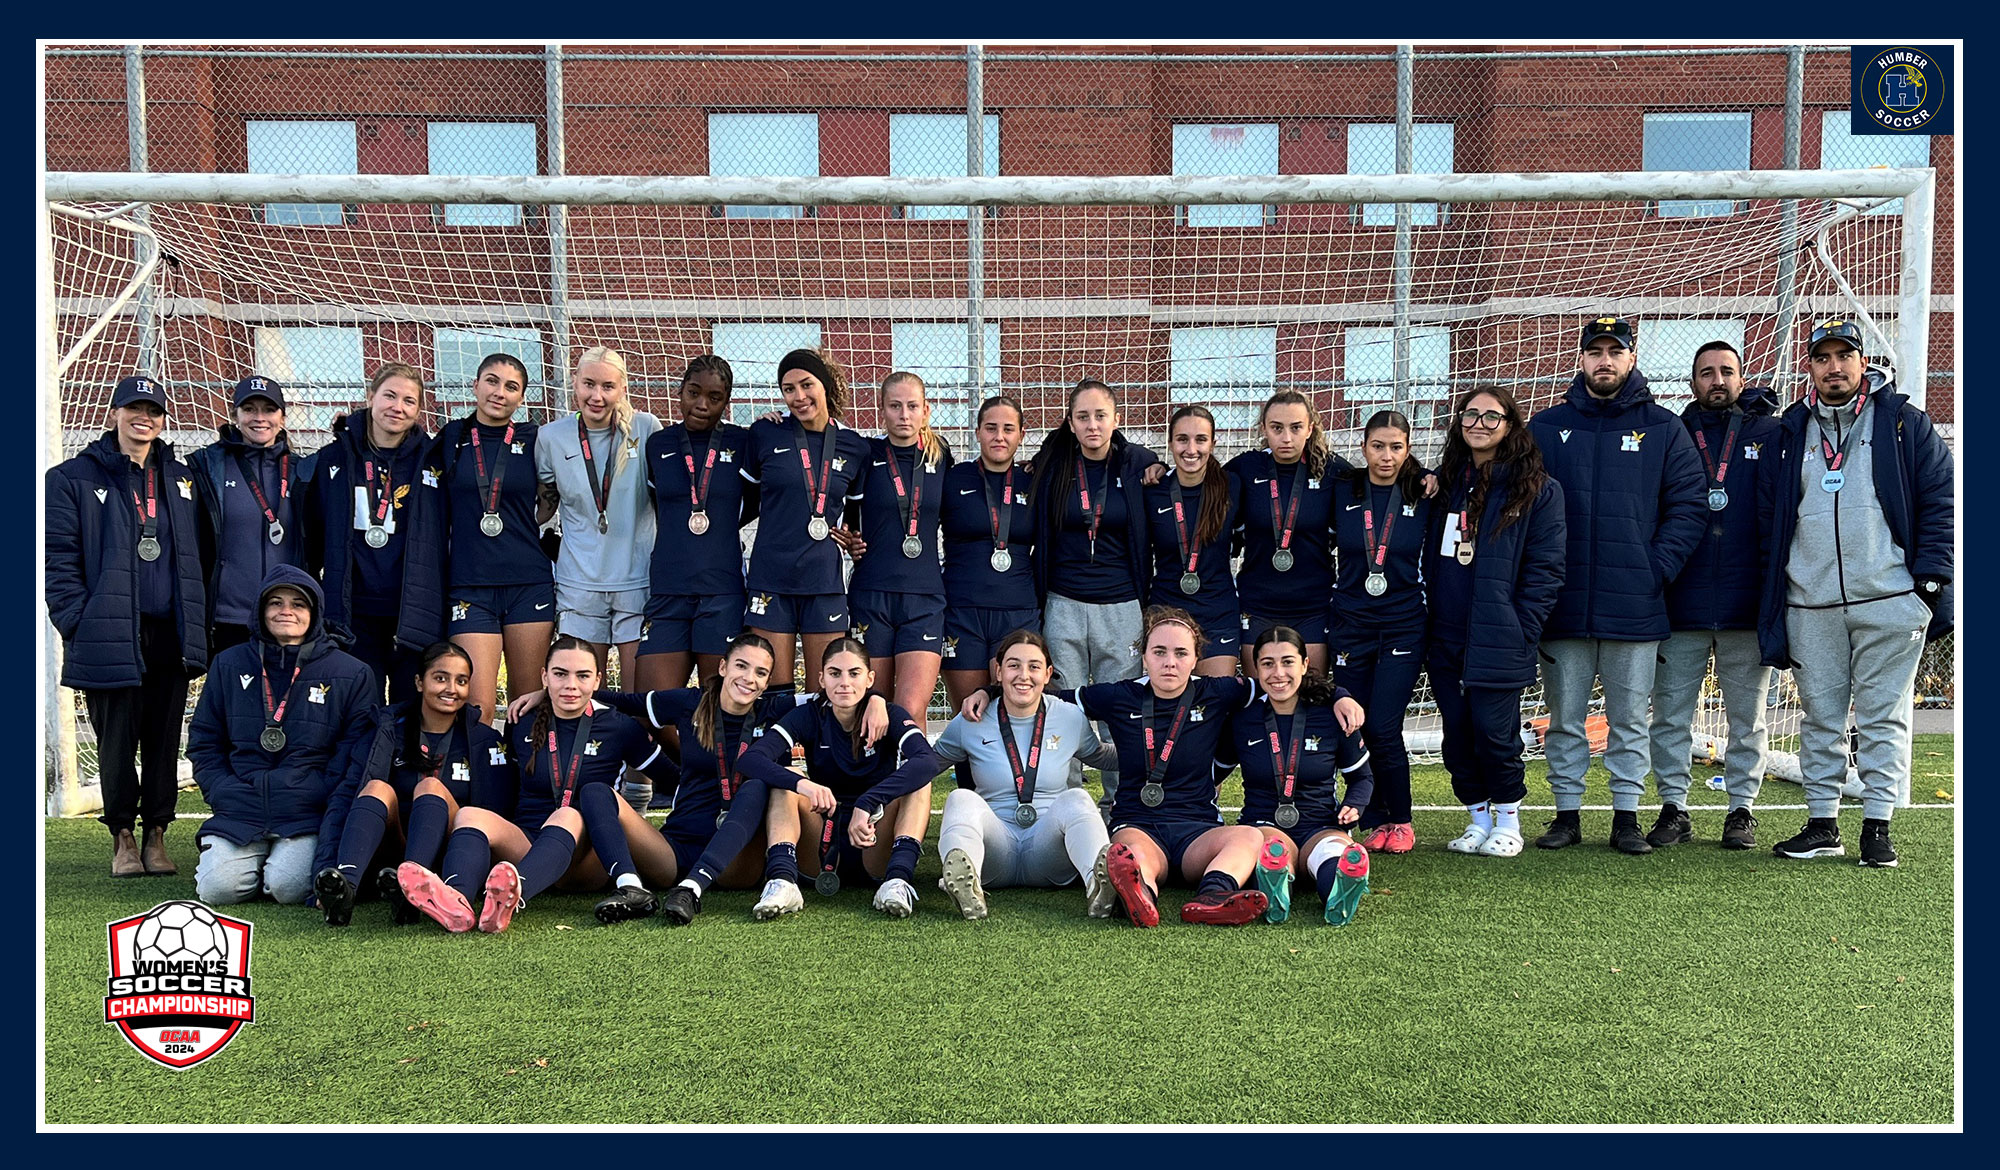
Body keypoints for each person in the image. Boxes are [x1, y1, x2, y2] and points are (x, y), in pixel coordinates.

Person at [1757, 319, 1954, 867]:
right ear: (1810, 367)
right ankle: (1823, 823)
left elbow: (1940, 501)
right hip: (1809, 601)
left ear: (1863, 361)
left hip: (1889, 598)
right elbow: (1771, 510)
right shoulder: (1791, 429)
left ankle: (1877, 826)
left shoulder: (1903, 423)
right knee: (1819, 715)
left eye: (1845, 355)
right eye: (1823, 358)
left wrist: (1929, 586)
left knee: (1882, 715)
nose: (1834, 367)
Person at [530, 633, 887, 926]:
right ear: (722, 667)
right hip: (676, 849)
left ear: (767, 682)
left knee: (759, 783)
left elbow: (841, 692)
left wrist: (877, 700)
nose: (749, 679)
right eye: (741, 666)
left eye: (761, 673)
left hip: (736, 861)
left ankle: (693, 890)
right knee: (596, 792)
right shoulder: (689, 702)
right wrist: (546, 692)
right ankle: (630, 887)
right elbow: (626, 701)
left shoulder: (777, 710)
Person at [966, 607, 1272, 928]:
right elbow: (1046, 698)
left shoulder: (1218, 692)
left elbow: (1278, 684)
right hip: (1139, 825)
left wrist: (1333, 694)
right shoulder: (1120, 696)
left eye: (1181, 653)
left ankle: (1212, 897)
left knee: (1249, 836)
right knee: (1130, 855)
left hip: (1199, 831)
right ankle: (1141, 897)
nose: (1170, 661)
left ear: (1195, 659)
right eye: (1159, 652)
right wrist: (990, 691)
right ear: (1143, 657)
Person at [1527, 316, 1706, 854]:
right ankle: (1566, 815)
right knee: (1565, 719)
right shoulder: (1546, 427)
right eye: (1595, 351)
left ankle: (1626, 815)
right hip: (1562, 605)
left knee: (1629, 720)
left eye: (1615, 351)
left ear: (1631, 359)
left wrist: (1653, 569)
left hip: (1636, 604)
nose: (1604, 360)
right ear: (1581, 359)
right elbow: (1520, 502)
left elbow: (1689, 506)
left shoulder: (1664, 428)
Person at [395, 634, 673, 932]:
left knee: (568, 812)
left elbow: (673, 780)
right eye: (560, 674)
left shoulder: (619, 726)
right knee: (470, 815)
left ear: (597, 680)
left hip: (588, 858)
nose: (570, 685)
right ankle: (456, 900)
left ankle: (512, 898)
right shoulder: (521, 720)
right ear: (545, 677)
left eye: (582, 676)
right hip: (528, 847)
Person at [45, 374, 207, 877]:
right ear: (114, 412)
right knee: (116, 741)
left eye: (155, 411)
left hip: (168, 631)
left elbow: (197, 555)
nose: (146, 419)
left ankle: (157, 834)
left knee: (163, 739)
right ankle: (122, 838)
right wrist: (78, 621)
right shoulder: (71, 477)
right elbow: (58, 559)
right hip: (109, 630)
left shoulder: (181, 479)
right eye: (135, 408)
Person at [1648, 342, 1783, 849]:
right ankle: (1673, 807)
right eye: (1707, 373)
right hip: (1680, 603)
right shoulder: (1671, 434)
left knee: (1747, 718)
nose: (1718, 380)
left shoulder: (1770, 434)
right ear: (1691, 383)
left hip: (1747, 604)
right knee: (1670, 714)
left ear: (1743, 378)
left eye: (1727, 371)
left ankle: (1742, 809)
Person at [1428, 387, 1566, 859]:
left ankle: (1509, 819)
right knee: (1457, 734)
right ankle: (1478, 819)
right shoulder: (1444, 484)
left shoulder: (1538, 490)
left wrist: (1519, 627)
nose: (1480, 424)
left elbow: (1546, 570)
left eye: (1492, 416)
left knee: (1495, 733)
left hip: (1499, 636)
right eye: (1471, 414)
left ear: (1510, 425)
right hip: (1445, 634)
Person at [184, 566, 376, 905]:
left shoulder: (352, 673)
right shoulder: (228, 664)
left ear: (314, 613)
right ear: (261, 612)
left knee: (288, 887)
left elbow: (355, 752)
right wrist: (222, 789)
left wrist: (316, 791)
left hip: (305, 811)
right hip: (240, 808)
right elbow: (204, 740)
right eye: (275, 602)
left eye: (298, 604)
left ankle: (273, 867)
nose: (286, 611)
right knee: (217, 890)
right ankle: (247, 863)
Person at [734, 637, 940, 920]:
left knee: (920, 782)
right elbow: (750, 759)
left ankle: (897, 880)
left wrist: (868, 802)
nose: (844, 682)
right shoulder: (809, 715)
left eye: (854, 673)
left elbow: (928, 761)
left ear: (870, 679)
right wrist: (803, 784)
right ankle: (782, 880)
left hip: (872, 839)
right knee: (787, 780)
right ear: (821, 678)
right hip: (822, 842)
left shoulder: (889, 714)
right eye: (835, 673)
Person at [310, 641, 513, 926]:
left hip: (450, 855)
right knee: (376, 787)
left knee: (430, 787)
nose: (451, 689)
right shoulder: (386, 731)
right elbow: (345, 798)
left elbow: (492, 819)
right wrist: (326, 866)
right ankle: (345, 890)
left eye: (461, 681)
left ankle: (414, 888)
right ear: (419, 682)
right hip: (391, 847)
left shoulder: (486, 742)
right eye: (440, 678)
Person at [1028, 379, 1162, 808]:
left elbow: (1163, 469)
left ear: (1116, 419)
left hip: (1121, 605)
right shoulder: (1053, 463)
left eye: (1100, 415)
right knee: (1062, 707)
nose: (1092, 424)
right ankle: (1064, 804)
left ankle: (1117, 806)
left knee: (1120, 709)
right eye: (1082, 416)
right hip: (1063, 602)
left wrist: (1159, 467)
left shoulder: (1137, 463)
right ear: (1069, 422)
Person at [929, 630, 1119, 919]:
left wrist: (1151, 750)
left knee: (1078, 798)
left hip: (1049, 850)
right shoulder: (972, 718)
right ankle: (968, 886)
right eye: (1014, 665)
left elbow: (1101, 756)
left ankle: (1099, 884)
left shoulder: (1068, 716)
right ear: (998, 671)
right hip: (994, 851)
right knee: (960, 799)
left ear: (1048, 673)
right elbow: (928, 764)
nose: (1023, 675)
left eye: (1034, 666)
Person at [299, 362, 445, 705]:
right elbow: (312, 537)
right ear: (370, 397)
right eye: (390, 396)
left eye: (409, 401)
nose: (398, 407)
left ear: (419, 409)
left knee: (410, 713)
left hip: (413, 612)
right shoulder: (331, 458)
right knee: (361, 711)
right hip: (354, 613)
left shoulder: (433, 460)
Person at [739, 350, 872, 695]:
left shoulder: (855, 446)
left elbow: (856, 519)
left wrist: (855, 540)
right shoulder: (766, 433)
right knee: (774, 694)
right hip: (771, 578)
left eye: (806, 385)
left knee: (826, 693)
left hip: (823, 581)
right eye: (788, 389)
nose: (798, 397)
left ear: (825, 385)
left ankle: (822, 753)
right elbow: (745, 503)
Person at [1334, 411, 1434, 855]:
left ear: (1409, 449)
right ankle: (1370, 817)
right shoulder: (1343, 489)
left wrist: (1429, 475)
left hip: (1403, 624)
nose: (1387, 456)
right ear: (1363, 447)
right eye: (1378, 446)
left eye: (1396, 446)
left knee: (1384, 724)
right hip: (1350, 625)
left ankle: (1401, 819)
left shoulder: (1424, 492)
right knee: (1352, 723)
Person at [1226, 626, 1374, 926]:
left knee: (1330, 852)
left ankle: (1339, 888)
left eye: (1288, 662)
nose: (1278, 673)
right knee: (1269, 848)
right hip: (1264, 823)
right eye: (1267, 663)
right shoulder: (1241, 718)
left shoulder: (1333, 714)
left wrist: (1354, 806)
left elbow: (1362, 778)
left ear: (1305, 664)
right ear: (1256, 668)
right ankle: (1277, 878)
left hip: (1320, 824)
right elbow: (1212, 773)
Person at [435, 353, 552, 727]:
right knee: (478, 709)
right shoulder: (451, 437)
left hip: (528, 583)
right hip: (471, 585)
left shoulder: (535, 439)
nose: (499, 392)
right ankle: (486, 784)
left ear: (522, 399)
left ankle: (527, 783)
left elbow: (553, 495)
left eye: (511, 387)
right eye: (491, 381)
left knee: (527, 704)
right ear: (475, 385)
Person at [536, 346, 661, 688]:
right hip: (579, 584)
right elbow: (542, 506)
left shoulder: (645, 428)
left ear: (623, 388)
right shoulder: (550, 436)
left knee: (638, 699)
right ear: (573, 382)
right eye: (588, 384)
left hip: (637, 580)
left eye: (607, 386)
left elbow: (665, 497)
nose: (596, 396)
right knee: (586, 698)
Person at [835, 371, 953, 719]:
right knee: (871, 708)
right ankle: (871, 776)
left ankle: (915, 776)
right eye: (895, 406)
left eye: (912, 406)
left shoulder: (940, 454)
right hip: (872, 593)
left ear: (926, 411)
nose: (904, 415)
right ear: (881, 410)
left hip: (925, 596)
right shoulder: (864, 453)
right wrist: (848, 538)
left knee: (909, 711)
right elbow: (842, 507)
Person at [638, 355, 754, 695]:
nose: (702, 405)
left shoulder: (743, 442)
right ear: (680, 392)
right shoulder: (658, 444)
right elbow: (661, 508)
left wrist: (718, 522)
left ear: (727, 401)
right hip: (668, 588)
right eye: (694, 393)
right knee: (652, 707)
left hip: (722, 590)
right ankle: (682, 753)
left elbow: (758, 501)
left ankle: (712, 752)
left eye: (714, 398)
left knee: (718, 706)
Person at [189, 374, 308, 654]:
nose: (259, 418)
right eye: (249, 409)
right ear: (235, 415)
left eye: (269, 409)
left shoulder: (303, 470)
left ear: (283, 417)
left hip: (287, 619)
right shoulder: (207, 467)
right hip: (229, 617)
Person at [1228, 390, 1342, 673]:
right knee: (1262, 697)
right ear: (1264, 428)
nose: (1287, 438)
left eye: (1296, 427)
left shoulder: (1332, 471)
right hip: (1257, 604)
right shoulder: (1244, 468)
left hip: (1314, 605)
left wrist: (1421, 477)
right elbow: (1194, 478)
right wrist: (1155, 468)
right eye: (1277, 428)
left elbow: (1378, 488)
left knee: (1311, 698)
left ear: (1310, 428)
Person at [938, 394, 1039, 711]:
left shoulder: (1034, 482)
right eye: (991, 428)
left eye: (1008, 429)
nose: (999, 436)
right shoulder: (953, 479)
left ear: (1021, 435)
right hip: (962, 612)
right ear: (977, 432)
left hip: (1018, 613)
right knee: (968, 715)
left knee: (1012, 715)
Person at [1141, 405, 1241, 677]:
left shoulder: (1233, 485)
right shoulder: (1153, 490)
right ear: (1170, 442)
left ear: (1213, 443)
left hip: (1217, 611)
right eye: (1182, 439)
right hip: (1167, 610)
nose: (1191, 449)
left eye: (1201, 439)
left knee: (1217, 702)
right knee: (1170, 706)